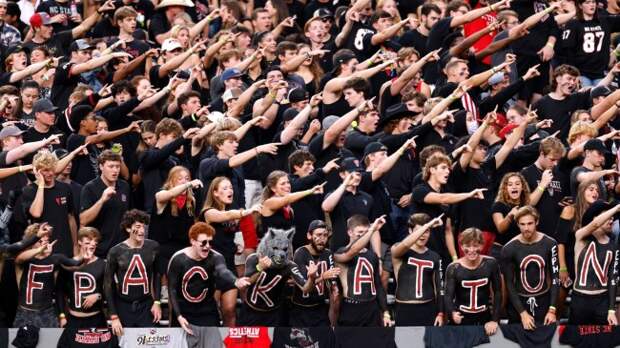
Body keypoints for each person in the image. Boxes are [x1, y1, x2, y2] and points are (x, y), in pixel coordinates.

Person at [167, 222, 250, 331]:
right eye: (203, 242)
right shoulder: (178, 259)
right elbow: (172, 289)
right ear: (192, 241)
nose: (207, 246)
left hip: (207, 310)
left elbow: (223, 271)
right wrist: (178, 316)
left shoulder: (215, 257)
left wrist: (235, 281)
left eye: (210, 242)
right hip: (184, 311)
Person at [104, 209, 162, 336]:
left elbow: (157, 274)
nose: (142, 230)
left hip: (146, 305)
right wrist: (113, 315)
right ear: (128, 228)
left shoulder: (153, 247)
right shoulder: (116, 251)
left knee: (150, 342)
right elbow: (108, 284)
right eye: (138, 226)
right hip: (123, 306)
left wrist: (157, 302)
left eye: (144, 226)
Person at [500, 206, 560, 329]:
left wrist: (552, 310)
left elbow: (555, 278)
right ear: (517, 224)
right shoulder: (508, 249)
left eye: (530, 223)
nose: (526, 228)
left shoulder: (550, 244)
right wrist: (522, 313)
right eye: (522, 224)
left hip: (544, 301)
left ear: (537, 222)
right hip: (519, 302)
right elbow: (509, 283)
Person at [13, 223, 83, 327]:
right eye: (41, 239)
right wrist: (38, 250)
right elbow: (19, 258)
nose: (45, 241)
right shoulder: (25, 259)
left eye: (47, 238)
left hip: (46, 312)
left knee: (51, 341)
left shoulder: (54, 259)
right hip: (25, 312)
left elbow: (74, 264)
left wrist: (84, 252)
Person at [333, 215, 391, 327]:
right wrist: (372, 229)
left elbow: (378, 285)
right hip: (351, 308)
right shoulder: (341, 253)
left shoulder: (372, 256)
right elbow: (353, 251)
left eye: (366, 232)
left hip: (371, 308)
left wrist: (385, 312)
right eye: (360, 232)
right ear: (350, 232)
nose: (364, 235)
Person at [570, 200, 620, 325]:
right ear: (595, 217)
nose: (611, 220)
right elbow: (595, 224)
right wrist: (616, 208)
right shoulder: (581, 236)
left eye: (612, 218)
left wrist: (611, 310)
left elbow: (613, 278)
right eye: (608, 217)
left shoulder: (613, 245)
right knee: (578, 340)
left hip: (602, 300)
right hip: (580, 299)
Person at [444, 228, 501, 336]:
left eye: (475, 246)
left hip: (484, 318)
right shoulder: (454, 268)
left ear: (482, 245)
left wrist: (495, 319)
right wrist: (452, 313)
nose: (472, 250)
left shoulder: (491, 264)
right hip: (461, 318)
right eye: (468, 246)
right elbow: (448, 296)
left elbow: (497, 292)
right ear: (461, 246)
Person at [391, 213, 444, 326]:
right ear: (410, 231)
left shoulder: (434, 256)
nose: (423, 235)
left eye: (427, 231)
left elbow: (439, 287)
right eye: (419, 231)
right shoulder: (398, 249)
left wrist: (440, 312)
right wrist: (428, 225)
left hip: (428, 308)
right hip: (405, 308)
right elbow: (404, 245)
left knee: (427, 343)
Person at [290, 220, 340, 326]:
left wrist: (334, 287)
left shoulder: (328, 253)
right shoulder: (300, 253)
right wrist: (321, 277)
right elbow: (305, 288)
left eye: (325, 235)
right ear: (309, 235)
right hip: (301, 310)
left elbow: (332, 279)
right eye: (318, 235)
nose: (322, 239)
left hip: (320, 308)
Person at [80, 150, 130, 257]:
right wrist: (102, 200)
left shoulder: (124, 186)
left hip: (122, 249)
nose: (115, 170)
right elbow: (83, 219)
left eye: (117, 166)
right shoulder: (90, 188)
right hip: (100, 249)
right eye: (111, 166)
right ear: (101, 167)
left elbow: (128, 216)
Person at [56, 227, 106, 329]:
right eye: (88, 241)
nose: (92, 244)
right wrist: (61, 316)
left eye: (95, 241)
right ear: (79, 242)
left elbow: (111, 291)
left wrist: (98, 296)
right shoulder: (68, 264)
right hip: (73, 318)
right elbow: (59, 291)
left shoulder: (103, 265)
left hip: (96, 318)